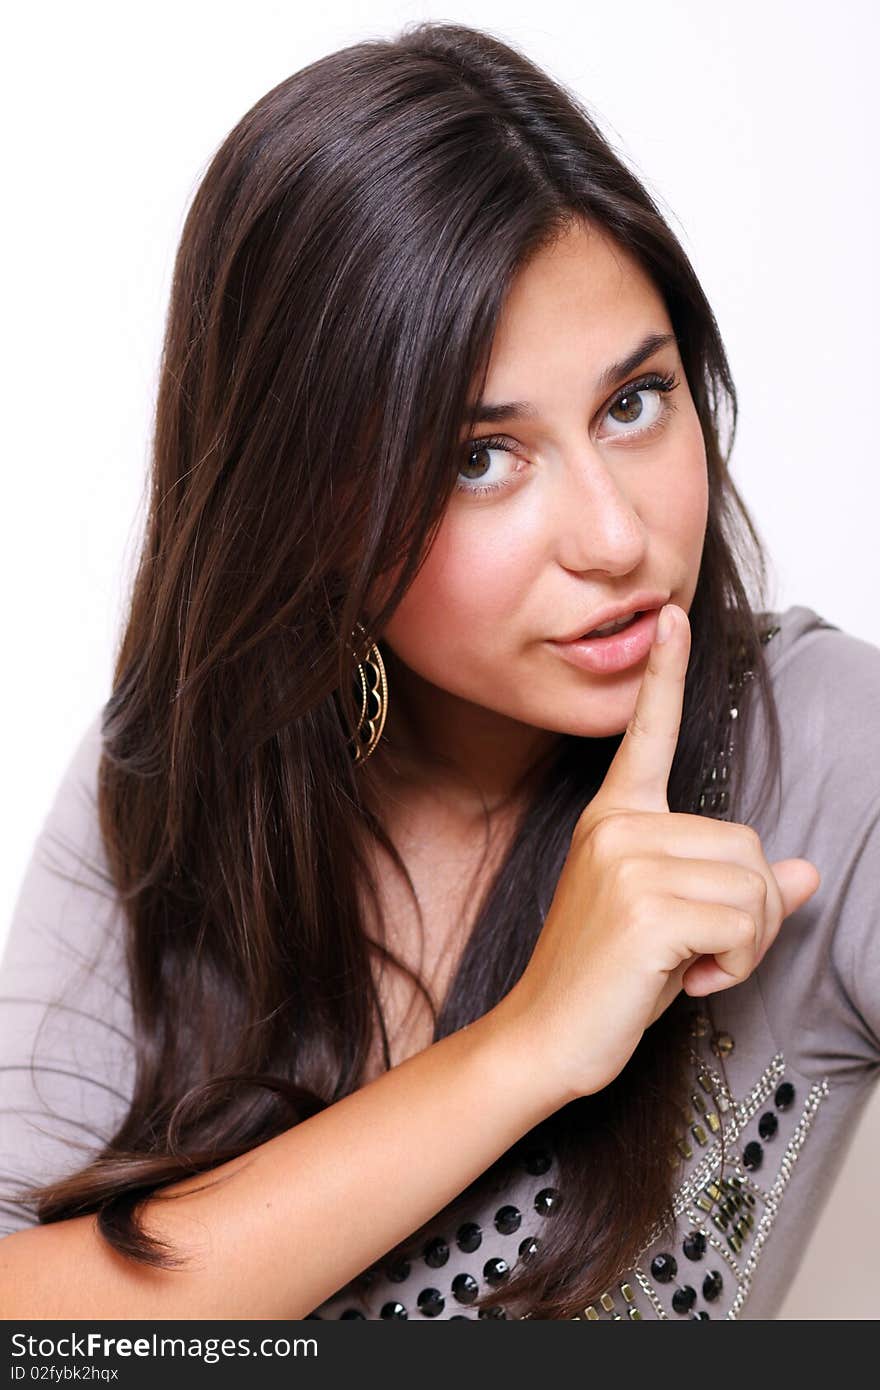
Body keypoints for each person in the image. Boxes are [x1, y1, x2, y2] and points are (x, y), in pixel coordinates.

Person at [0, 20, 877, 1322]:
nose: (616, 537)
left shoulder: (825, 755)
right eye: (481, 455)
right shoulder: (186, 768)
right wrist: (528, 1045)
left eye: (633, 402)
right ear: (306, 508)